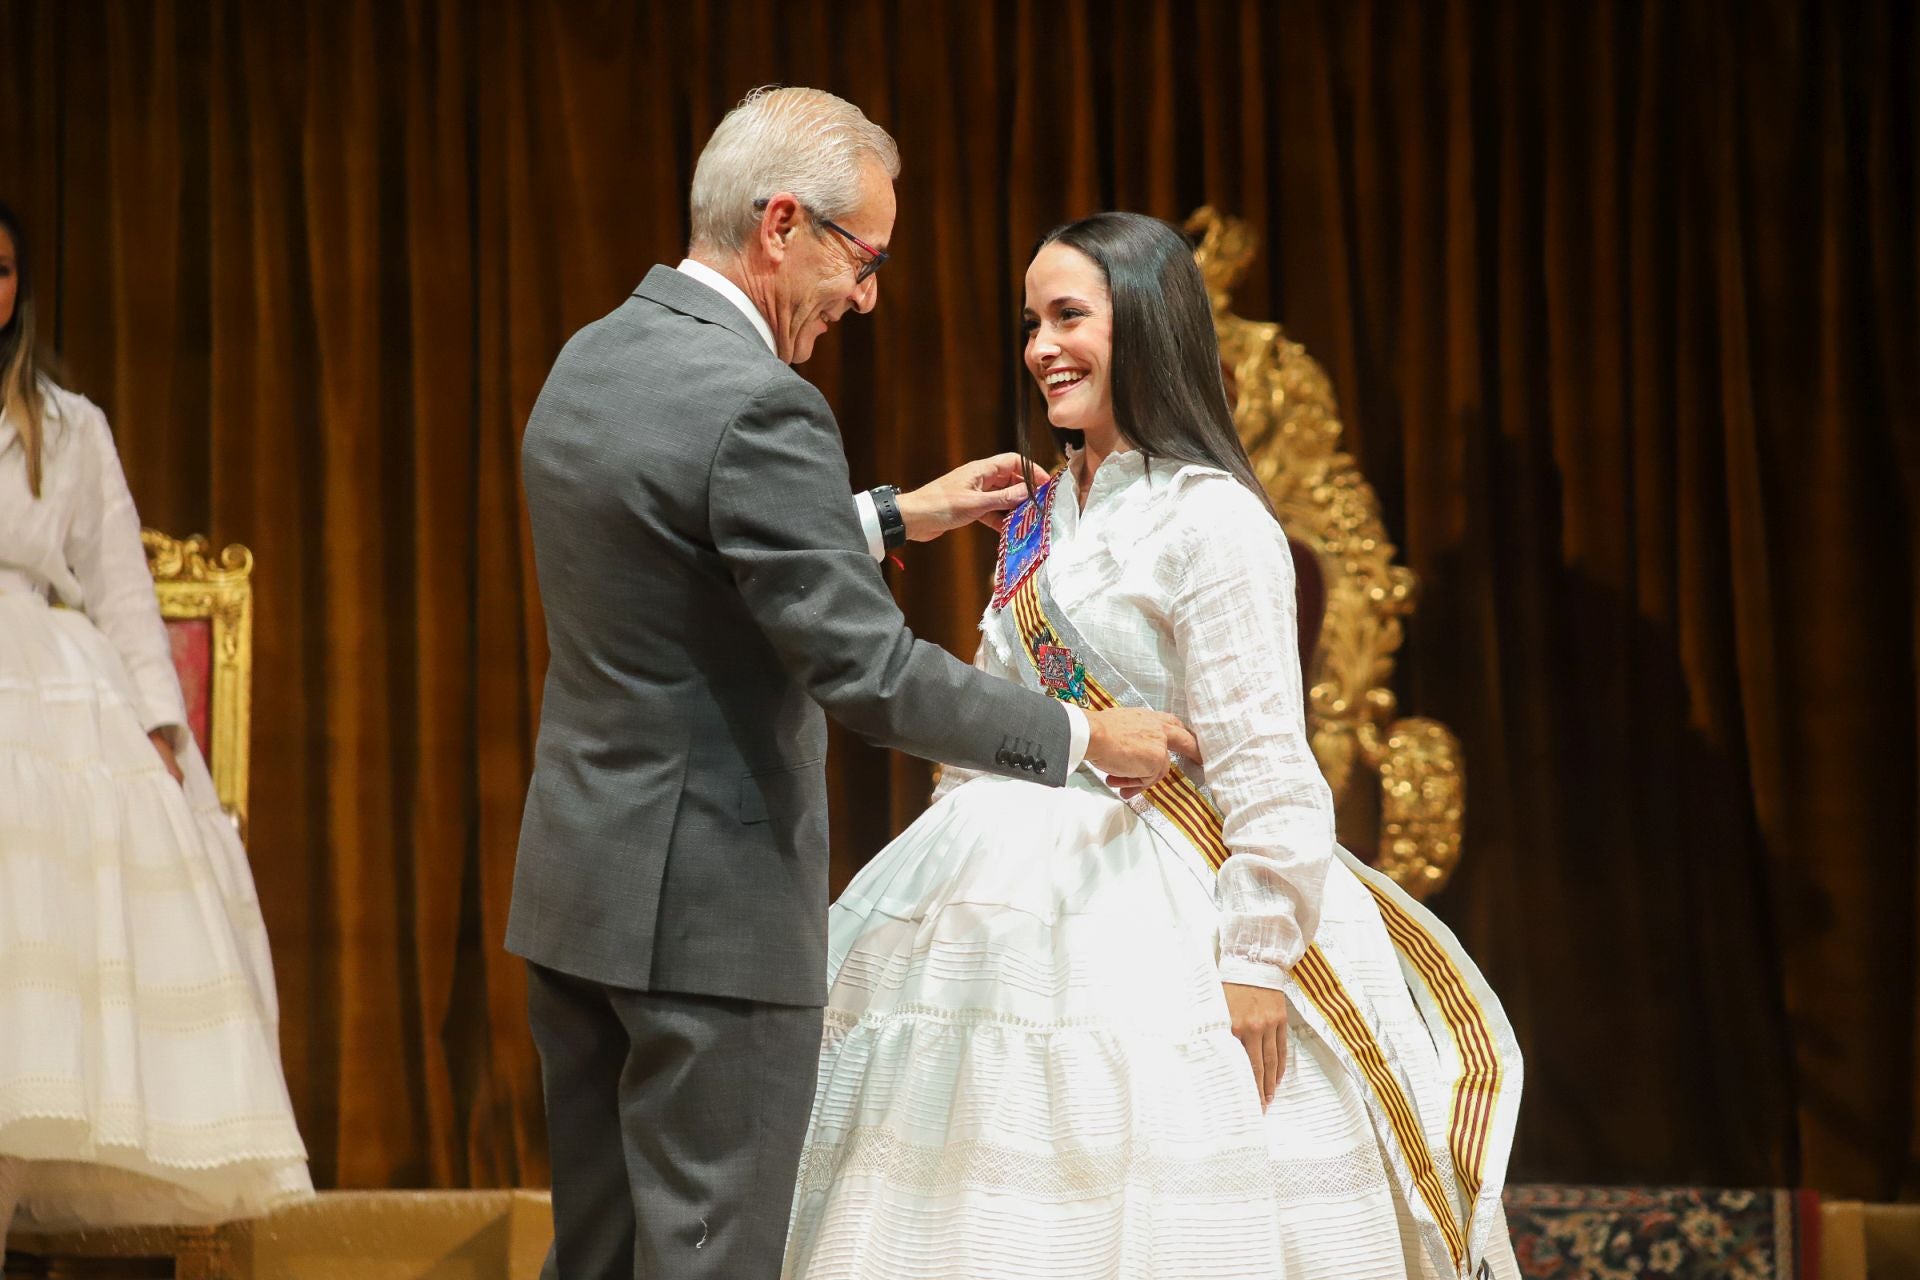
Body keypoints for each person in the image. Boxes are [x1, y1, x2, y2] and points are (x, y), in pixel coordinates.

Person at [509, 90, 1193, 1280]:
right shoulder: (761, 402)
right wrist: (1086, 735)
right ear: (782, 224)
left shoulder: (595, 354)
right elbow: (871, 676)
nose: (865, 296)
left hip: (580, 899)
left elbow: (678, 548)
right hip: (708, 933)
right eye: (861, 257)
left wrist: (888, 514)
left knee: (602, 1261)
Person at [782, 212, 1526, 1280]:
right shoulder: (1040, 518)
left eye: (1069, 315)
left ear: (1147, 327)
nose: (1041, 345)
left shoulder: (1212, 520)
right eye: (1032, 320)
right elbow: (992, 712)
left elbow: (1267, 760)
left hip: (1164, 908)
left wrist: (1258, 959)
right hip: (995, 896)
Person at [0, 203, 312, 1257]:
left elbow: (125, 592)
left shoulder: (69, 424)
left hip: (46, 672)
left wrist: (163, 731)